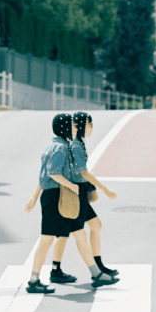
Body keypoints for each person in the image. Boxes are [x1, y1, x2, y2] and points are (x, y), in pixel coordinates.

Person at [23, 114, 119, 294]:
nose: (76, 127)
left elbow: (42, 175)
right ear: (65, 127)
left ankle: (96, 274)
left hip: (61, 196)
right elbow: (52, 173)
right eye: (73, 125)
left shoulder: (59, 146)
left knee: (80, 234)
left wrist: (34, 198)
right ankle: (34, 280)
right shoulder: (60, 148)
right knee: (46, 239)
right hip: (56, 197)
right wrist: (72, 186)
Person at [51, 111, 118, 280]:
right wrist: (104, 188)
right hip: (74, 193)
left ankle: (96, 265)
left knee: (94, 226)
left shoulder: (78, 143)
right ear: (82, 126)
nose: (92, 127)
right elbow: (83, 172)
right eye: (90, 124)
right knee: (72, 232)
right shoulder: (76, 146)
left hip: (77, 191)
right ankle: (92, 270)